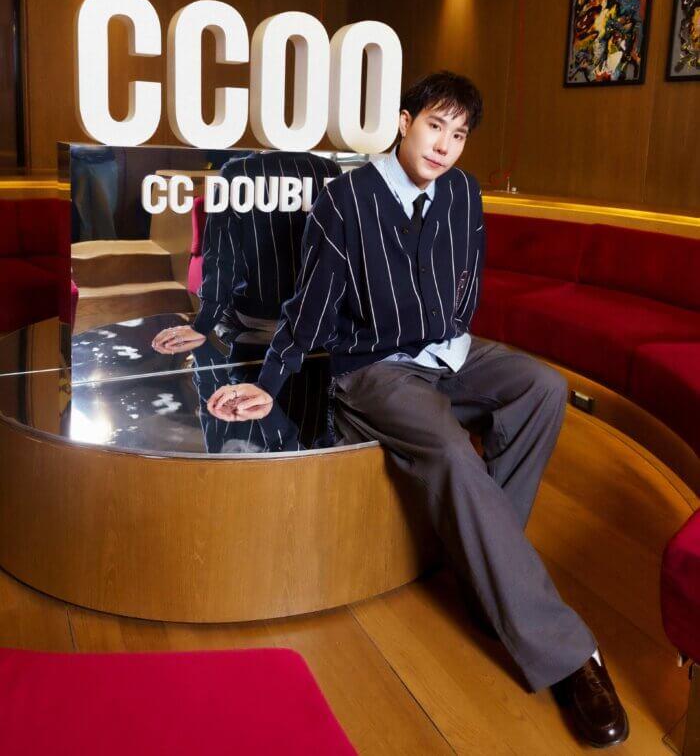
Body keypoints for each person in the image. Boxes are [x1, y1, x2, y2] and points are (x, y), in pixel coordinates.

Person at [206, 71, 630, 748]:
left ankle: (487, 578)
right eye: (435, 125)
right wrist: (274, 379)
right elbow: (311, 303)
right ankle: (569, 654)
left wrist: (452, 337)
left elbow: (468, 280)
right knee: (453, 449)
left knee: (544, 388)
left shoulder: (462, 192)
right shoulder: (345, 199)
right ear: (404, 123)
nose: (444, 145)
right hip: (371, 367)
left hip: (448, 352)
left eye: (458, 135)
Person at [152, 150, 339, 355]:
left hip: (260, 317)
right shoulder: (328, 169)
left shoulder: (237, 171)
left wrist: (202, 325)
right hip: (321, 318)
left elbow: (223, 259)